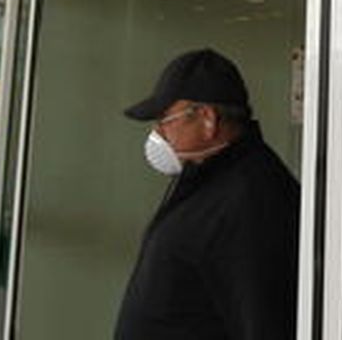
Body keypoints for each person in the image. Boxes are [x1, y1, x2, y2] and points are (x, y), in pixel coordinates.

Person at [115, 48, 299, 340]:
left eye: (165, 121)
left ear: (207, 118)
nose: (158, 134)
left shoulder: (250, 198)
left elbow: (263, 320)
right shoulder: (211, 179)